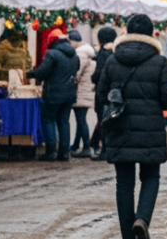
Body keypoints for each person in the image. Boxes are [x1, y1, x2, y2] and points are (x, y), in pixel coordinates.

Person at [96, 14, 167, 239]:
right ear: (151, 34)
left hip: (119, 128)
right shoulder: (160, 62)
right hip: (150, 129)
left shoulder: (112, 60)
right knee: (150, 177)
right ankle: (142, 219)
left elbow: (101, 95)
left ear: (127, 32)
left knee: (124, 183)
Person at [28, 30, 79, 162]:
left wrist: (30, 74)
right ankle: (64, 152)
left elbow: (43, 71)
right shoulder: (74, 55)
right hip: (69, 93)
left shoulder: (51, 54)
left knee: (49, 120)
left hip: (53, 93)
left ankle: (51, 151)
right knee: (64, 121)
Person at [90, 26, 118, 161]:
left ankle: (105, 150)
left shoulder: (103, 53)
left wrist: (93, 78)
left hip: (104, 94)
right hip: (115, 93)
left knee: (103, 121)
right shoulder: (117, 51)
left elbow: (99, 74)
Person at [70, 30, 96, 158]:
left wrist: (71, 81)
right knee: (81, 119)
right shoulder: (87, 52)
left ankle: (86, 147)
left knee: (81, 120)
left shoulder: (81, 54)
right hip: (86, 90)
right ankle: (76, 145)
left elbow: (77, 73)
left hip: (81, 91)